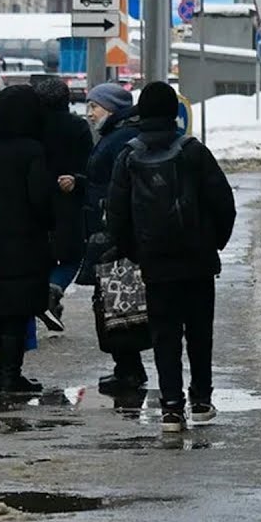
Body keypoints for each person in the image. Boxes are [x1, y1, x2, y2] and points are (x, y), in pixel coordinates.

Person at [107, 82, 236, 433]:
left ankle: (171, 407)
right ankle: (202, 400)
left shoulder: (128, 156)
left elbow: (116, 213)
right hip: (198, 261)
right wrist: (214, 243)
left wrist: (134, 251)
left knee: (164, 334)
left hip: (155, 263)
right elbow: (224, 203)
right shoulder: (194, 151)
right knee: (199, 331)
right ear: (173, 114)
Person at [0, 85, 54, 396]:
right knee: (18, 314)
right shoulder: (33, 151)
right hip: (26, 243)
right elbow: (40, 199)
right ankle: (11, 376)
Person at [77, 82, 149, 394]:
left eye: (94, 107)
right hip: (109, 229)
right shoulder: (116, 135)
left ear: (112, 109)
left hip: (113, 233)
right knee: (117, 302)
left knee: (117, 303)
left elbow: (118, 185)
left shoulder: (119, 139)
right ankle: (128, 367)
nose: (89, 113)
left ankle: (129, 370)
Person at [35, 78, 94, 332]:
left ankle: (44, 297)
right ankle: (52, 291)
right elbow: (90, 166)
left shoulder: (32, 128)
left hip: (37, 200)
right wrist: (78, 181)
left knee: (43, 253)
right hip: (69, 200)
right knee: (72, 256)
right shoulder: (77, 127)